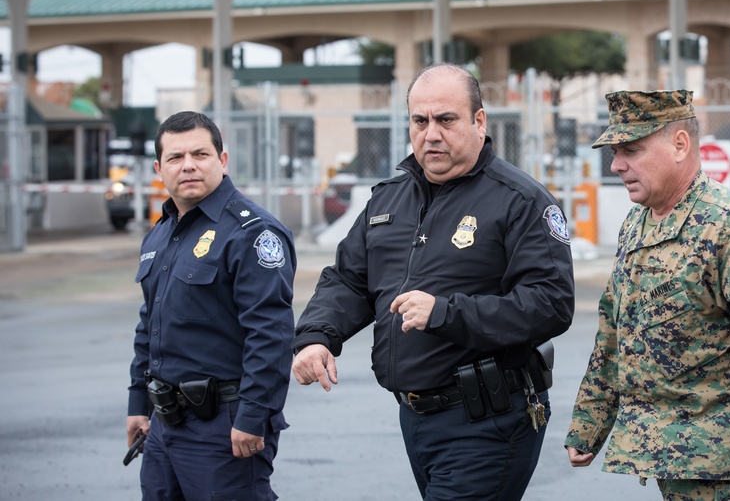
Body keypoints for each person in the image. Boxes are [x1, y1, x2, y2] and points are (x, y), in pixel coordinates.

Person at [291, 63, 575, 501]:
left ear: (479, 121)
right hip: (416, 417)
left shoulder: (519, 200)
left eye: (446, 119)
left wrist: (446, 312)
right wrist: (315, 335)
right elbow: (348, 279)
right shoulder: (389, 197)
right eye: (419, 121)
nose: (431, 134)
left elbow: (550, 303)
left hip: (488, 419)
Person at [565, 89, 730, 501]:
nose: (617, 164)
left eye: (632, 150)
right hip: (672, 460)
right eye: (615, 151)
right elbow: (614, 330)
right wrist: (589, 425)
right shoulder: (637, 223)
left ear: (680, 145)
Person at [125, 111, 296, 500]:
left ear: (222, 160)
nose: (188, 165)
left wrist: (253, 418)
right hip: (164, 424)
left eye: (200, 154)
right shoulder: (161, 233)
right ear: (159, 168)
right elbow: (148, 324)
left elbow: (270, 332)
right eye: (175, 157)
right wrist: (139, 403)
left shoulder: (251, 232)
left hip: (224, 426)